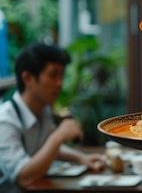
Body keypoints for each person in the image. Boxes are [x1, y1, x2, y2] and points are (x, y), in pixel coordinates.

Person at [0, 42, 105, 192]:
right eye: (53, 75)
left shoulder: (44, 111)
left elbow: (46, 148)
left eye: (61, 76)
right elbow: (22, 177)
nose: (59, 83)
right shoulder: (5, 121)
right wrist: (58, 136)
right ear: (28, 78)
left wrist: (81, 158)